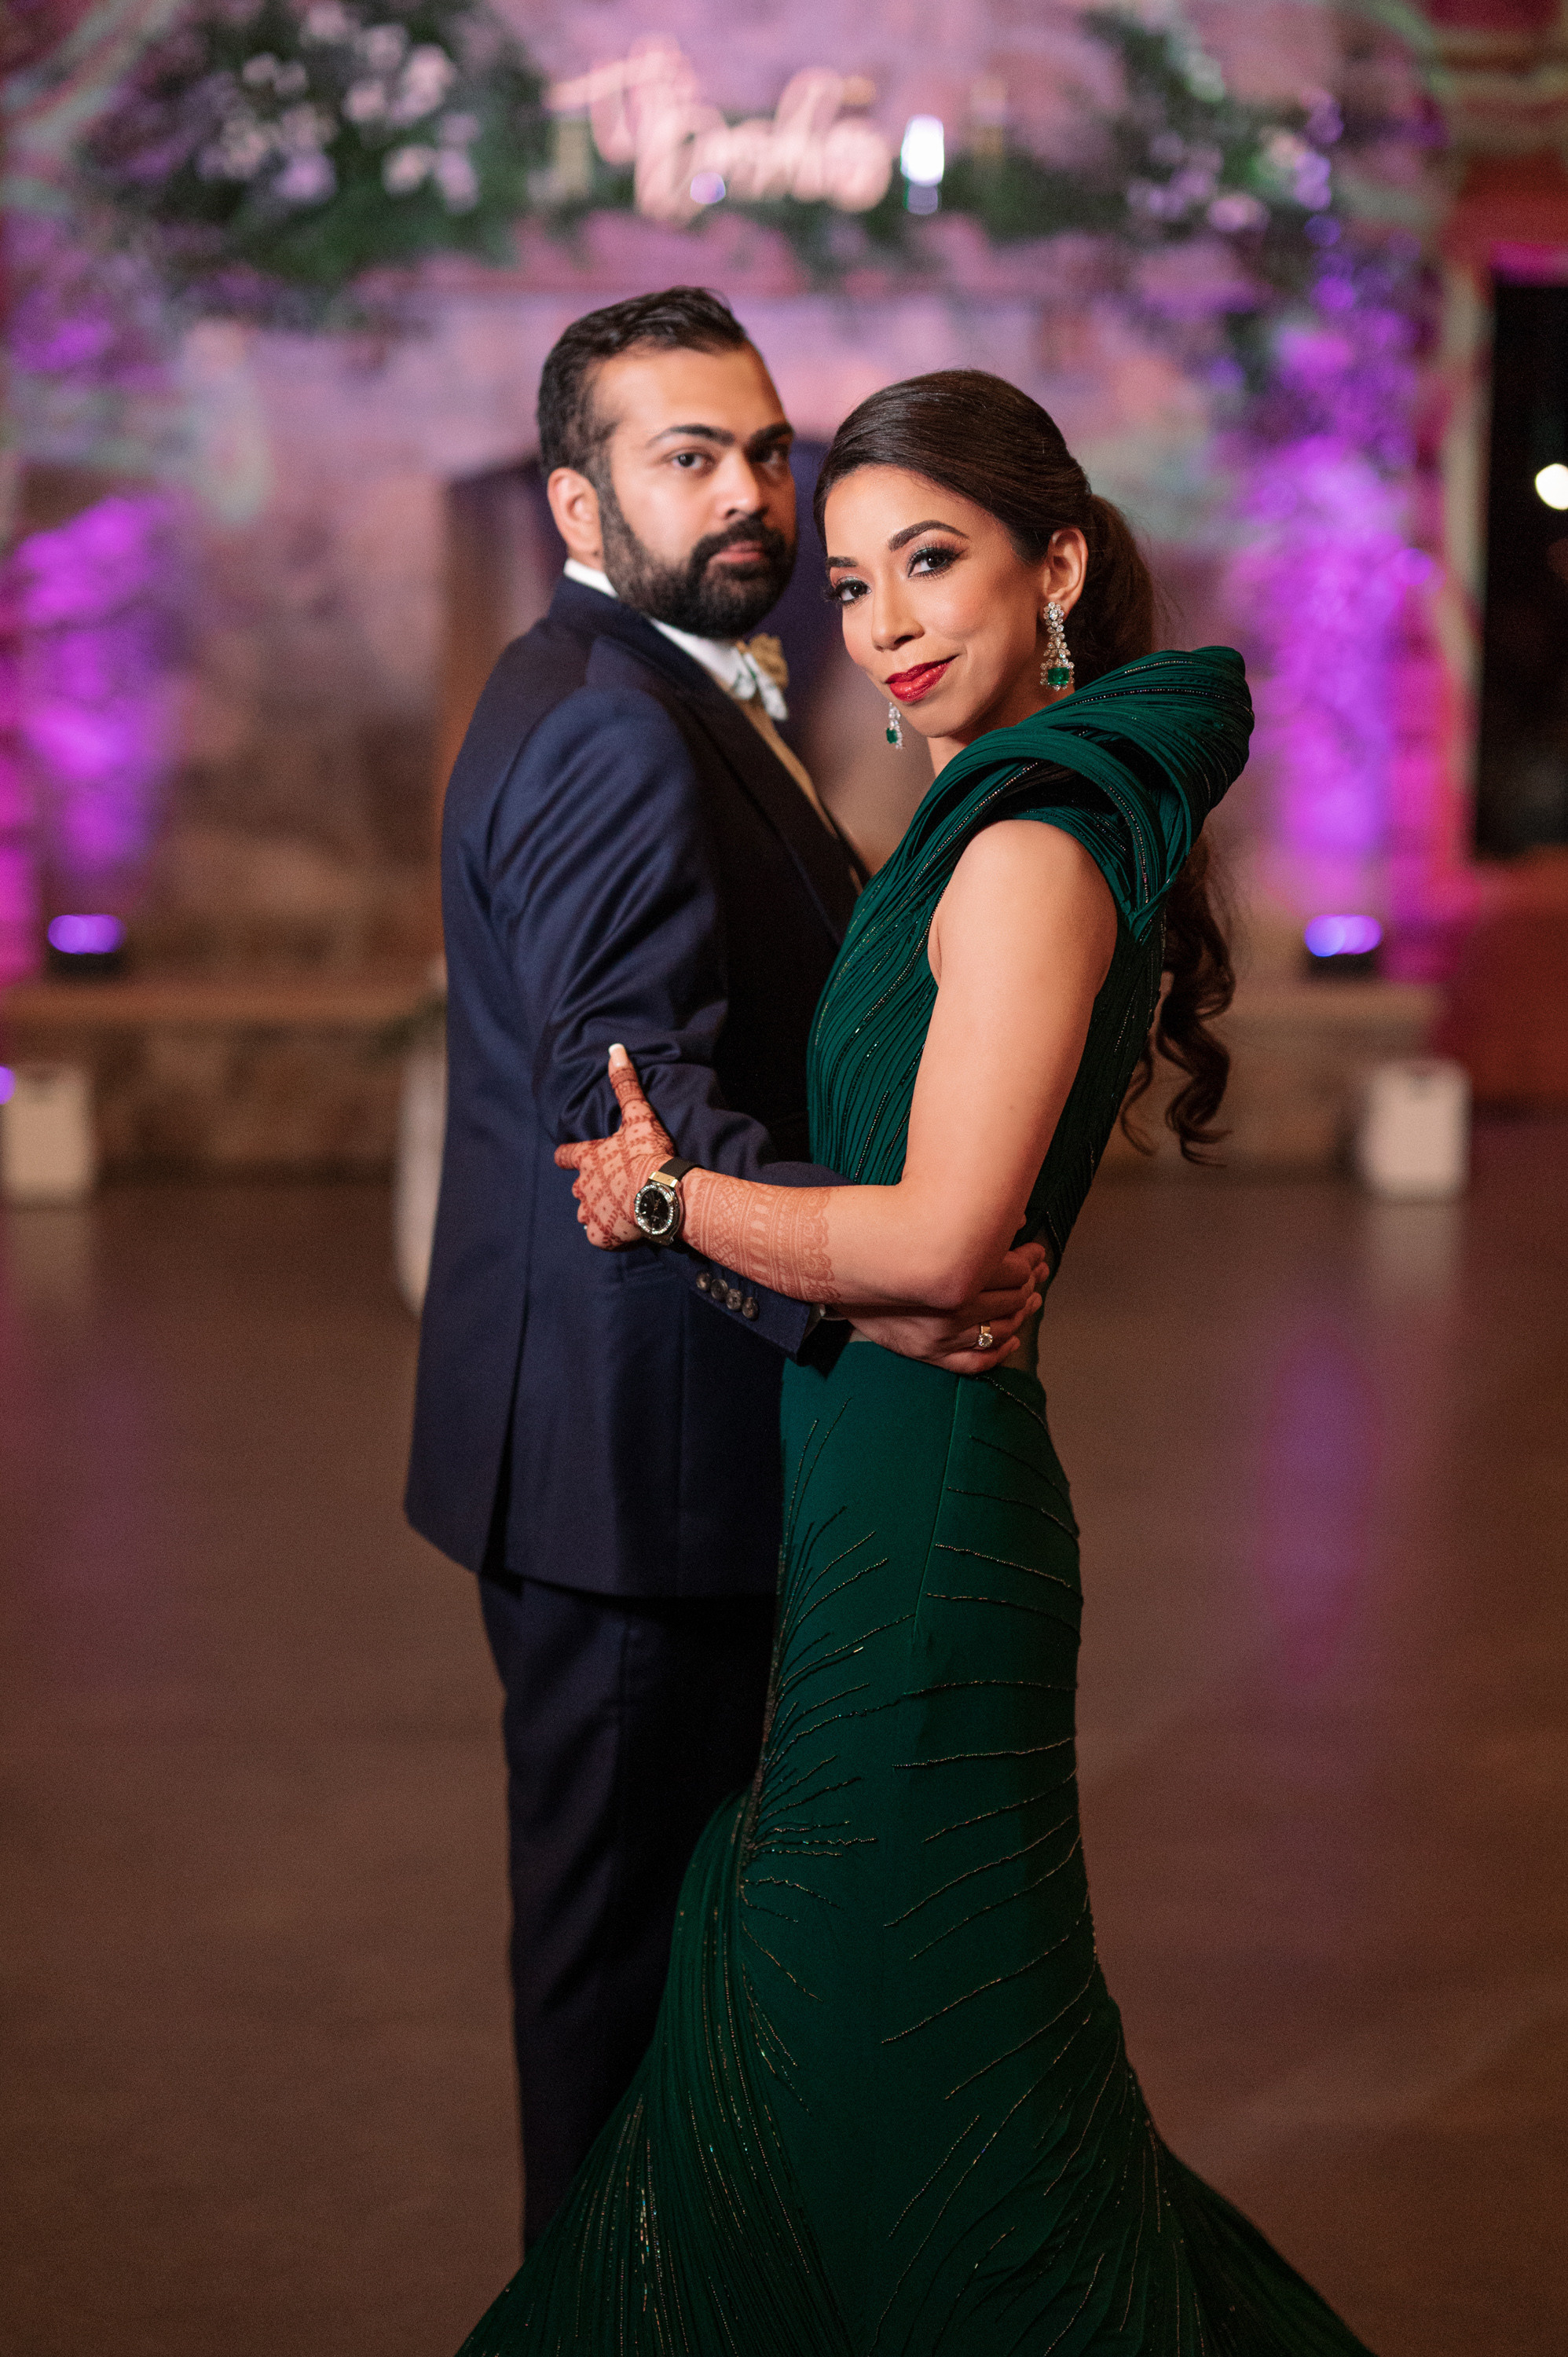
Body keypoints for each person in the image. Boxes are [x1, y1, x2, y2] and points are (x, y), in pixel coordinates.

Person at [454, 369, 1380, 2355]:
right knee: (887, 2070)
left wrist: (660, 1199)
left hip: (934, 1498)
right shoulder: (980, 812)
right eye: (856, 582)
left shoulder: (1030, 844)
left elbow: (946, 1244)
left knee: (920, 2087)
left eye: (931, 562)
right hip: (869, 1469)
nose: (882, 620)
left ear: (1055, 562)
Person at [405, 296, 1046, 2247]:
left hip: (638, 1446)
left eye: (763, 446)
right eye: (686, 455)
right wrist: (883, 1282)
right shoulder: (611, 728)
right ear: (576, 501)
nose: (747, 488)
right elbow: (639, 1128)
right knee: (616, 1997)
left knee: (667, 1971)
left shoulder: (660, 685)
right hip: (632, 1474)